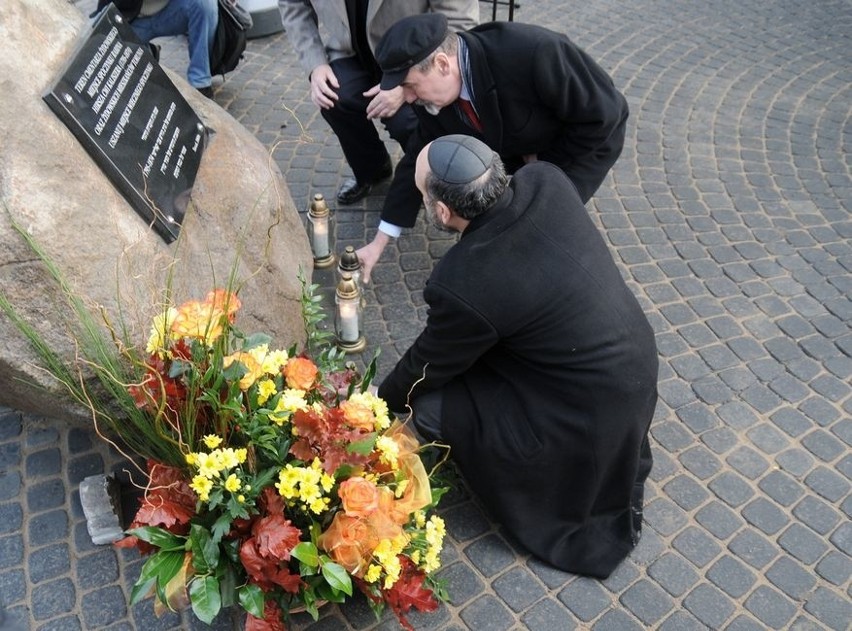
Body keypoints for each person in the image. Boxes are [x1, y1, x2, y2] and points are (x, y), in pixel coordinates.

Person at [377, 135, 658, 578]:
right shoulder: (546, 180)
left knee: (429, 405)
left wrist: (378, 402)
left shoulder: (466, 279)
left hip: (581, 419)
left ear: (443, 212)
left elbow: (426, 365)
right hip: (632, 374)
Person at [356, 13, 629, 283]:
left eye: (409, 85)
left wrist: (544, 168)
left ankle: (550, 284)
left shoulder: (533, 51)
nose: (408, 97)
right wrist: (379, 242)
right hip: (518, 145)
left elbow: (604, 116)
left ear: (442, 64)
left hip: (586, 141)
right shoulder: (431, 98)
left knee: (543, 213)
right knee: (504, 207)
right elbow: (417, 158)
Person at [278, 1, 479, 205]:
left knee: (407, 123)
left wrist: (408, 84)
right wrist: (316, 64)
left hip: (412, 58)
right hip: (350, 51)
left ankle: (441, 186)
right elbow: (293, 4)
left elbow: (460, 20)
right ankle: (373, 170)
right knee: (333, 96)